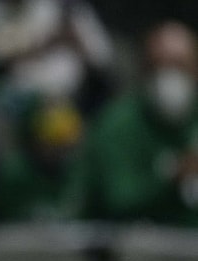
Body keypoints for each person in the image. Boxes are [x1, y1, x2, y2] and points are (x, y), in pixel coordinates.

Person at [75, 20, 198, 226]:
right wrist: (172, 178)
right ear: (143, 70)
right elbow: (117, 200)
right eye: (158, 66)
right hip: (128, 250)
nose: (169, 76)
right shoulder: (115, 124)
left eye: (179, 65)